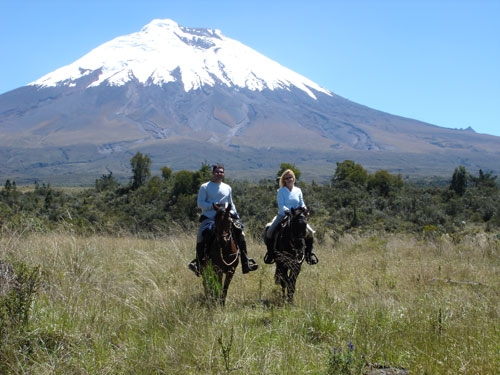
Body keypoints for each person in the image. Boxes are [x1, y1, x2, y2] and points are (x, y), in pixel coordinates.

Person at [188, 164, 259, 276]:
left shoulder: (227, 187)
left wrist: (235, 215)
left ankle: (245, 262)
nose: (219, 174)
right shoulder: (205, 187)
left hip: (226, 218)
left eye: (221, 172)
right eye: (217, 172)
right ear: (213, 173)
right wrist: (213, 206)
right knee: (201, 235)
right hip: (210, 218)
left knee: (241, 234)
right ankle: (199, 263)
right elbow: (200, 203)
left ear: (224, 173)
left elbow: (231, 203)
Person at [264, 169, 317, 264]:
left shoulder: (298, 190)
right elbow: (281, 205)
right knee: (269, 231)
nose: (289, 179)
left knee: (310, 233)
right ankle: (270, 254)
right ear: (284, 180)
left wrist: (305, 210)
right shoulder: (281, 191)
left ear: (294, 178)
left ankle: (309, 255)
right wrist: (288, 211)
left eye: (290, 177)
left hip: (297, 216)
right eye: (287, 178)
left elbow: (302, 203)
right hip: (283, 215)